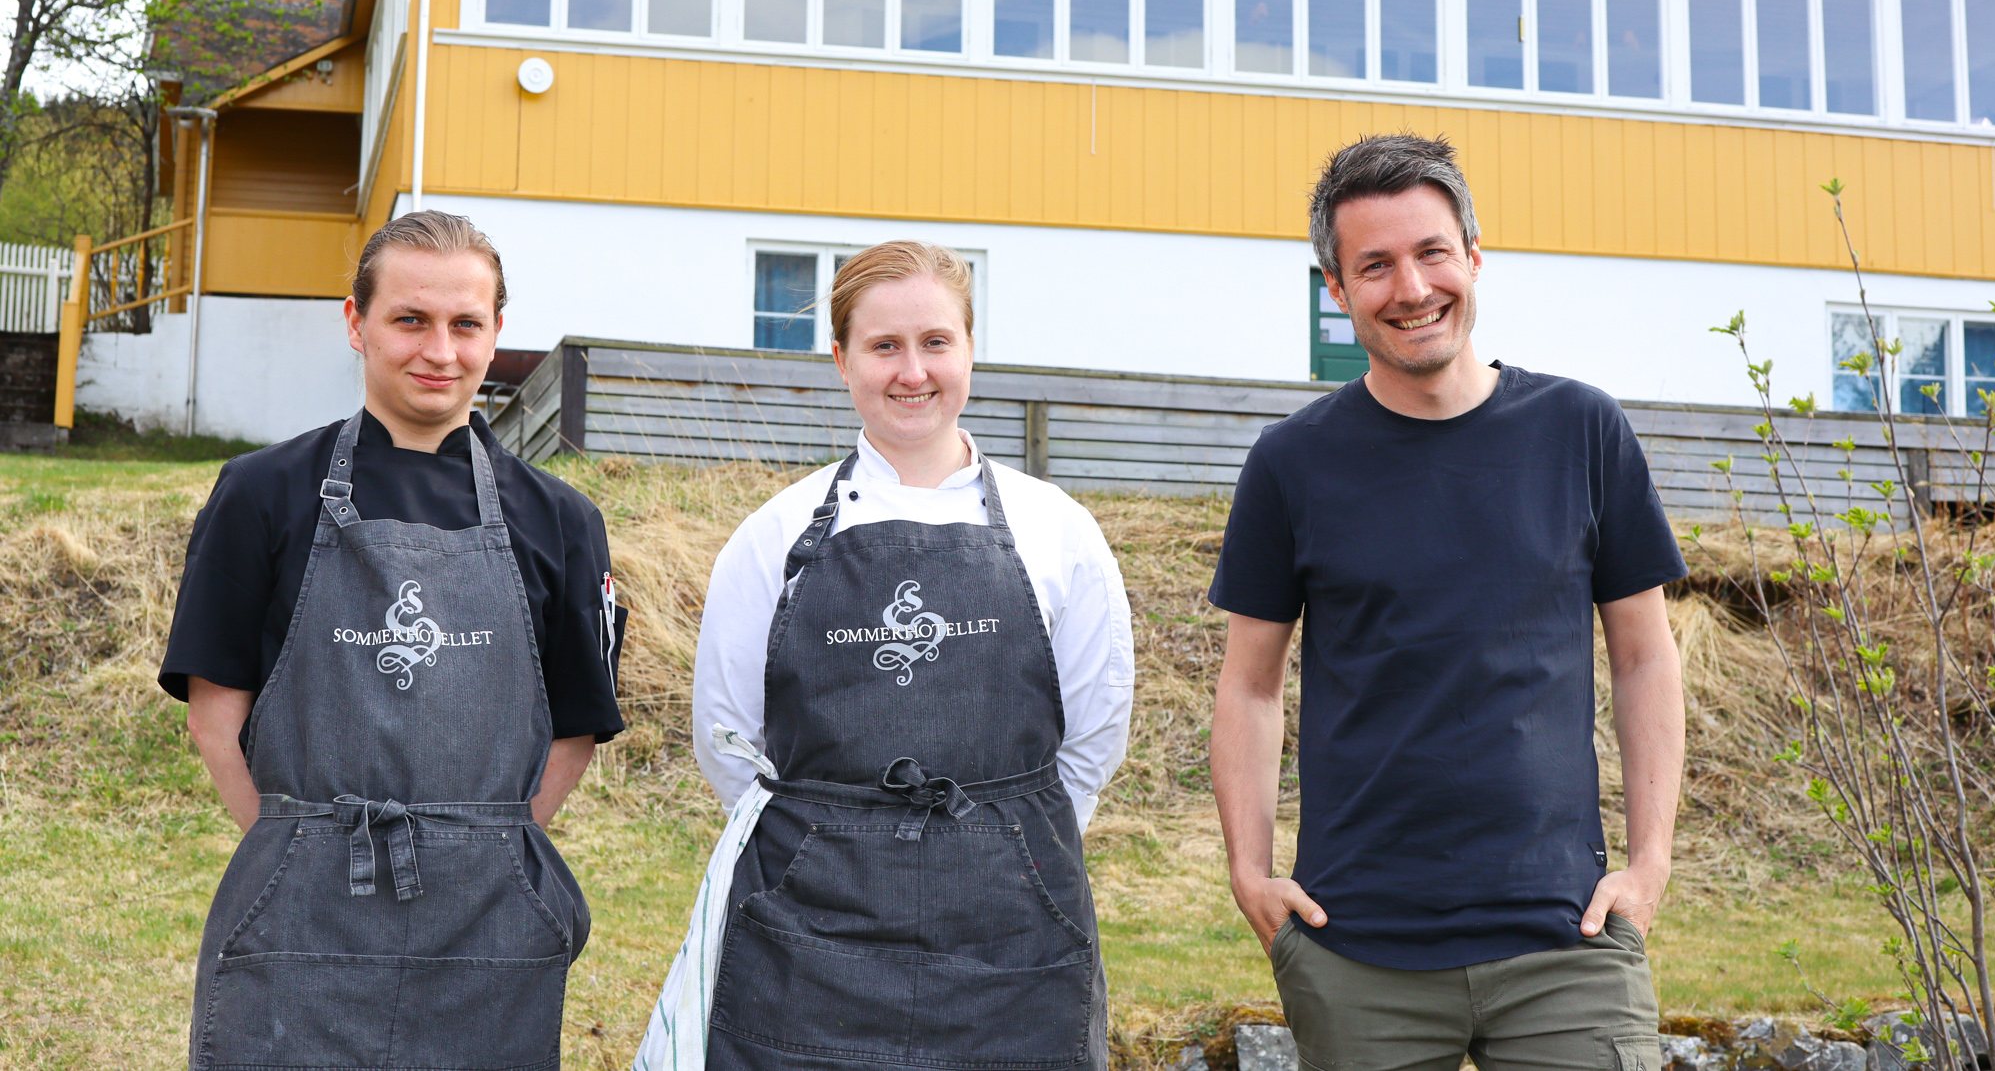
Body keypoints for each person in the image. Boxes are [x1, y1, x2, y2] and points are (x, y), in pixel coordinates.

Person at [1208, 134, 1688, 1071]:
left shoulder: (1582, 430)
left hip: (1569, 939)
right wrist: (1249, 873)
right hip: (1357, 949)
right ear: (1337, 289)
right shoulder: (1291, 462)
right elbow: (1250, 685)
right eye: (1375, 265)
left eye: (1432, 252)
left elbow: (1644, 656)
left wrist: (1651, 862)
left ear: (1473, 255)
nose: (1413, 287)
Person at [636, 239, 1134, 1071]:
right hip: (808, 938)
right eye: (884, 345)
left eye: (936, 341)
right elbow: (729, 741)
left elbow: (1093, 737)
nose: (913, 371)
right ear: (841, 360)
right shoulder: (772, 536)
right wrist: (831, 842)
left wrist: (1004, 844)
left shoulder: (1059, 533)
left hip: (1012, 936)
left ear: (969, 348)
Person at [159, 210, 627, 1071]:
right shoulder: (260, 493)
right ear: (357, 322)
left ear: (496, 333)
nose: (438, 350)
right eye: (410, 319)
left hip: (487, 917)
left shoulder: (562, 521)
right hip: (300, 909)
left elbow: (575, 730)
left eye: (465, 324)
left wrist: (485, 848)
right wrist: (298, 849)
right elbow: (214, 716)